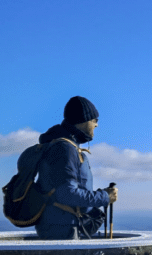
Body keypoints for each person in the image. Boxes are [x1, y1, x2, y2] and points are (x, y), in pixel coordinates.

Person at [34, 96, 118, 239]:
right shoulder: (64, 149)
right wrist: (104, 197)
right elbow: (67, 194)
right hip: (62, 228)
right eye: (95, 120)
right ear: (83, 120)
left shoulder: (64, 146)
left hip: (60, 225)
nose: (96, 125)